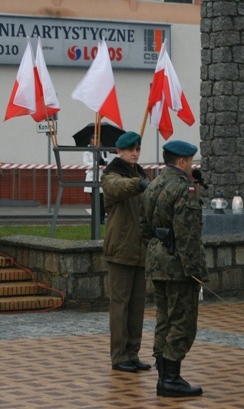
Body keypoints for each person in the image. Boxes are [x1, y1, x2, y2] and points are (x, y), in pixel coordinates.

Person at [140, 140, 209, 398]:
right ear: (181, 161)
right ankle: (171, 378)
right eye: (190, 161)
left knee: (164, 319)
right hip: (179, 264)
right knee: (182, 321)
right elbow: (187, 233)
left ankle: (164, 377)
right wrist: (194, 270)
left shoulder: (154, 183)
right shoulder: (184, 188)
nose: (192, 165)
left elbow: (143, 226)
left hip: (158, 260)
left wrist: (159, 248)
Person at [101, 131, 151, 372]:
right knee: (119, 305)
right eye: (130, 149)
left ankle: (132, 352)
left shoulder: (141, 174)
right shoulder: (110, 175)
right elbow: (118, 188)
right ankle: (119, 356)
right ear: (119, 151)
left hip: (140, 249)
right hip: (120, 249)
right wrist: (138, 183)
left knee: (137, 306)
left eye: (138, 149)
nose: (134, 153)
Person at [84, 135, 112, 224]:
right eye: (93, 138)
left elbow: (110, 162)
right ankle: (95, 220)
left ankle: (102, 219)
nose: (95, 140)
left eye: (97, 138)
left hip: (103, 178)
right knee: (95, 201)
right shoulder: (87, 151)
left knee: (103, 201)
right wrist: (97, 162)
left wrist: (104, 162)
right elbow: (86, 163)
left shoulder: (105, 151)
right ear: (90, 140)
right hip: (92, 178)